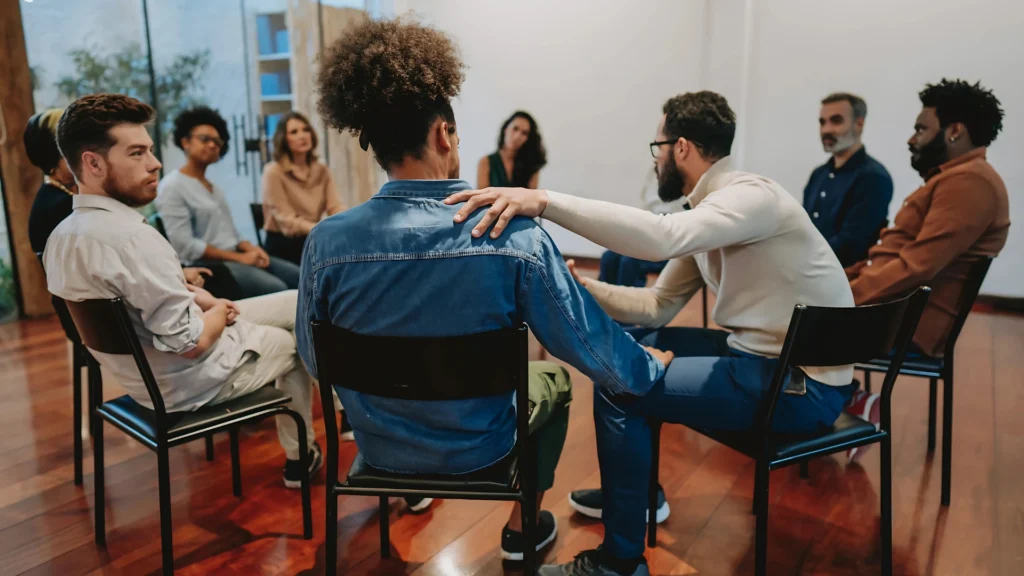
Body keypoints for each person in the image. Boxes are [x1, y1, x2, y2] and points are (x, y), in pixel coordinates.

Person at [299, 18, 669, 564]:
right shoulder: (512, 236)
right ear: (443, 134)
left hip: (379, 448)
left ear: (374, 145)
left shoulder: (325, 243)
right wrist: (646, 365)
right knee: (554, 380)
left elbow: (315, 359)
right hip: (481, 448)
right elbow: (585, 343)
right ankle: (523, 527)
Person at [447, 90, 857, 576]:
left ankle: (619, 563)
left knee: (622, 383)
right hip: (766, 361)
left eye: (657, 146)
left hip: (802, 386)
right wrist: (584, 287)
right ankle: (637, 494)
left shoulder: (750, 197)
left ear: (680, 147)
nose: (655, 158)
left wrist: (544, 202)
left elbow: (661, 237)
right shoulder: (712, 211)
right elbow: (657, 305)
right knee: (630, 353)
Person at [44, 94, 323, 489]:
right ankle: (304, 455)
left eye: (150, 150)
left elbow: (140, 298)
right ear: (93, 163)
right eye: (137, 153)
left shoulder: (60, 239)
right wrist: (218, 313)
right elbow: (191, 343)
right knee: (293, 342)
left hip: (145, 377)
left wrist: (200, 298)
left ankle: (342, 415)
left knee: (299, 301)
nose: (155, 163)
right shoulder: (134, 239)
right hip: (187, 380)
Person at [843, 79, 1009, 458]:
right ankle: (844, 402)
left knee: (787, 324)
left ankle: (836, 406)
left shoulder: (970, 184)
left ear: (954, 131)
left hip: (906, 324)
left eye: (921, 129)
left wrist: (842, 296)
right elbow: (898, 257)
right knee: (788, 308)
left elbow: (915, 268)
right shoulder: (957, 178)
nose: (912, 139)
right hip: (892, 310)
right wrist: (838, 279)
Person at [25, 108, 210, 289]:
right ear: (55, 154)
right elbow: (110, 273)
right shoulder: (58, 207)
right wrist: (177, 275)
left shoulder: (62, 197)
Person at [156, 106, 300, 300]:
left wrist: (252, 249)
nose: (212, 145)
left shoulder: (214, 188)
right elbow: (185, 246)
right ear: (185, 142)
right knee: (279, 289)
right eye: (205, 139)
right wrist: (240, 258)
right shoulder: (172, 186)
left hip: (235, 256)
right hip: (210, 266)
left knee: (301, 276)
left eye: (217, 141)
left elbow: (232, 233)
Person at [803, 93, 894, 267]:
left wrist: (800, 260)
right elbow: (803, 229)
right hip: (808, 271)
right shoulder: (819, 174)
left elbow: (851, 245)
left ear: (859, 124)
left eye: (836, 121)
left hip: (846, 278)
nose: (826, 130)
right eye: (822, 122)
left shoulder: (873, 178)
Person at [261, 111, 345, 265]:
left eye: (306, 130)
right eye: (294, 132)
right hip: (283, 247)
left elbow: (335, 206)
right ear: (284, 139)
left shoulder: (321, 169)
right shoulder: (273, 171)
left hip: (313, 239)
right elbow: (286, 221)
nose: (302, 136)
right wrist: (322, 229)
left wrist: (346, 223)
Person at [598, 169, 676, 288]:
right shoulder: (653, 176)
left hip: (673, 247)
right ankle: (600, 299)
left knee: (629, 261)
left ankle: (625, 300)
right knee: (609, 257)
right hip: (651, 237)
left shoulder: (686, 179)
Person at [477, 110, 547, 189]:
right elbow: (482, 195)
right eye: (515, 128)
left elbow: (532, 196)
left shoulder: (532, 165)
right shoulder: (486, 162)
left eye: (524, 133)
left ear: (528, 139)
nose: (517, 136)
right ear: (505, 129)